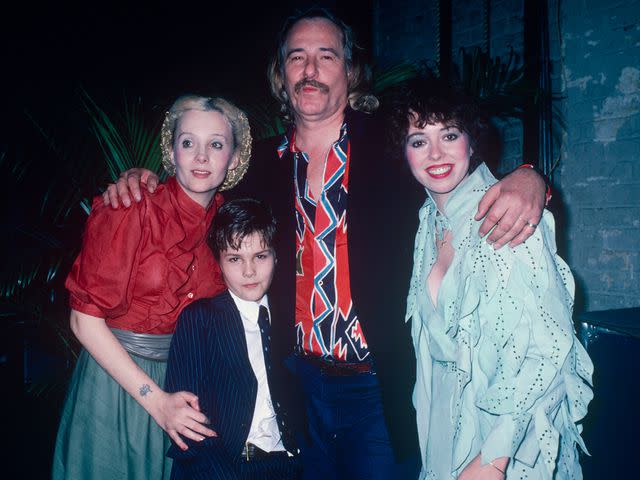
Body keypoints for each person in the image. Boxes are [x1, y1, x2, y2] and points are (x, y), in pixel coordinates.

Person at [103, 8, 548, 479]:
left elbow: (455, 170)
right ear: (282, 73)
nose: (310, 70)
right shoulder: (257, 167)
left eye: (325, 56)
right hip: (295, 388)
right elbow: (195, 201)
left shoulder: (393, 145)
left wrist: (530, 176)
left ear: (350, 71)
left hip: (379, 390)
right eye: (297, 57)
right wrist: (142, 181)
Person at [390, 77, 593, 479]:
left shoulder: (508, 214)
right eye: (418, 140)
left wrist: (492, 460)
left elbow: (548, 355)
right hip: (443, 433)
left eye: (449, 134)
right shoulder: (427, 222)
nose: (435, 153)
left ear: (471, 140)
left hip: (510, 445)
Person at [52, 95, 252, 480]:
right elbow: (83, 322)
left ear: (234, 158)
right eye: (188, 142)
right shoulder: (129, 207)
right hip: (115, 382)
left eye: (216, 144)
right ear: (171, 151)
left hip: (184, 380)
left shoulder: (230, 225)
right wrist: (156, 402)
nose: (200, 157)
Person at [165, 198, 301, 480]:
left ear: (276, 256)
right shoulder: (200, 320)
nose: (249, 271)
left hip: (291, 467)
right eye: (235, 258)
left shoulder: (295, 317)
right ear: (219, 262)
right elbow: (189, 428)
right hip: (223, 467)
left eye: (260, 256)